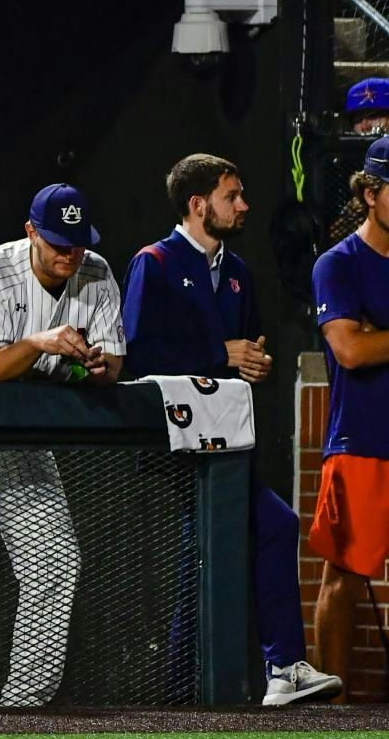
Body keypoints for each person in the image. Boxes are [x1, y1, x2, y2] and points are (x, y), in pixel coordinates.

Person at [121, 153, 342, 705]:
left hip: (227, 441)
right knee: (243, 537)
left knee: (238, 541)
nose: (243, 205)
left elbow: (249, 348)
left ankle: (260, 674)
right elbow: (137, 354)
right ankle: (260, 672)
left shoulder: (239, 272)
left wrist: (254, 362)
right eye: (231, 196)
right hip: (174, 445)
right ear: (199, 206)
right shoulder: (155, 262)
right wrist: (220, 353)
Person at [0, 184, 125, 708]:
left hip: (24, 442)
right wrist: (40, 342)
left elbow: (113, 366)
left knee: (55, 561)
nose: (69, 253)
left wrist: (97, 367)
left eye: (77, 242)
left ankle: (26, 704)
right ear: (30, 233)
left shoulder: (97, 272)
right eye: (57, 242)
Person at [308, 138, 389, 696]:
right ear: (369, 194)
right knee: (345, 577)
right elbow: (351, 351)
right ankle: (331, 709)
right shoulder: (338, 264)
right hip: (363, 440)